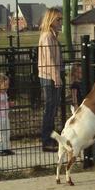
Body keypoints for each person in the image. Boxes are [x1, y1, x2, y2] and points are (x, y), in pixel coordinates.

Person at [38, 8, 63, 152]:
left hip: (52, 75)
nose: (60, 22)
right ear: (51, 20)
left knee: (52, 109)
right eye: (58, 19)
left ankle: (50, 138)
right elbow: (49, 60)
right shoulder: (47, 36)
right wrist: (56, 77)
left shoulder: (52, 35)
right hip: (49, 76)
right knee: (49, 109)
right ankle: (47, 140)